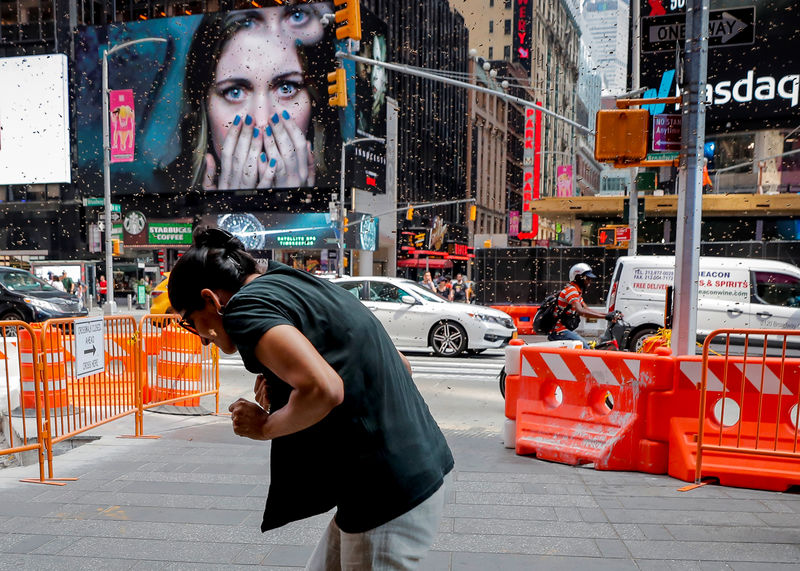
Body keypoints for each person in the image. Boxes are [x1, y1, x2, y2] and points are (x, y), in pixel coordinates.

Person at [167, 228, 453, 570]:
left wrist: (264, 427)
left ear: (211, 300)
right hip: (414, 467)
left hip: (384, 495)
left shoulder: (244, 308)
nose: (201, 339)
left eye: (190, 322)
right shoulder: (291, 282)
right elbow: (399, 365)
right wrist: (283, 382)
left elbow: (325, 389)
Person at [163, 4, 339, 193]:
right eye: (235, 92)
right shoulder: (156, 193)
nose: (262, 123)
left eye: (286, 88)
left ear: (315, 99)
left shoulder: (347, 184)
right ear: (203, 104)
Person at [548, 263, 619, 350]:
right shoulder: (571, 291)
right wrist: (605, 317)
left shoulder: (577, 293)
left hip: (565, 331)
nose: (589, 281)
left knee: (588, 346)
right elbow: (581, 311)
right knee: (586, 350)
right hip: (559, 332)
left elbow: (587, 310)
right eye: (587, 278)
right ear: (578, 277)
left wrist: (609, 315)